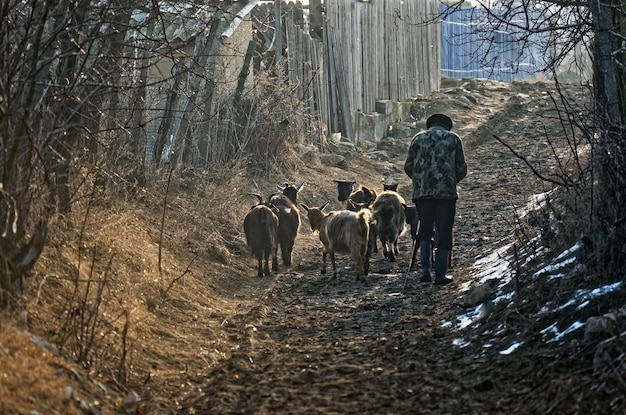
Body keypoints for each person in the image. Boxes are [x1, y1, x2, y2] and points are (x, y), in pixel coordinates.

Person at [404, 113, 467, 285]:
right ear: (447, 126)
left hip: (422, 194)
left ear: (429, 125)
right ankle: (440, 275)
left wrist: (420, 181)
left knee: (424, 229)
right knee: (444, 230)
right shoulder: (453, 139)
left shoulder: (417, 139)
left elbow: (408, 166)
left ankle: (425, 270)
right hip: (446, 195)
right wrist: (451, 181)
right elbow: (461, 168)